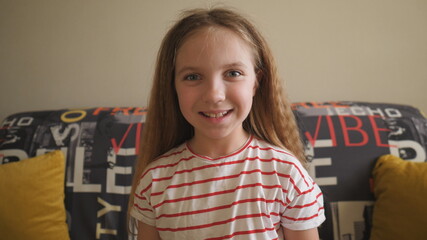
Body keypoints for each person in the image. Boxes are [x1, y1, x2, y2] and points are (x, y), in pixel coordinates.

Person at [128, 7, 325, 240]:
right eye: (192, 77)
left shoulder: (287, 174)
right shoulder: (156, 181)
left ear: (256, 83)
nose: (214, 95)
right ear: (172, 86)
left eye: (233, 73)